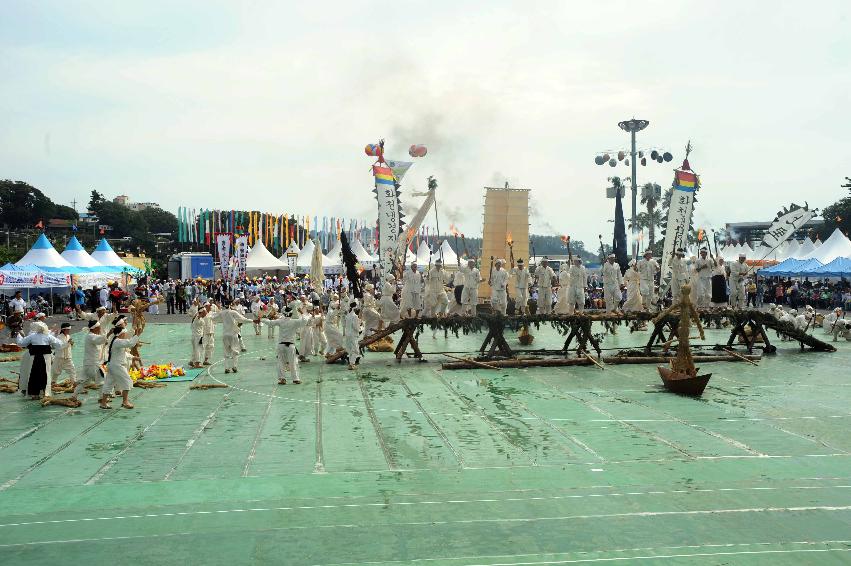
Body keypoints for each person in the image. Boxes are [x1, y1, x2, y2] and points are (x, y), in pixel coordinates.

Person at [17, 321, 65, 399]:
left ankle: (34, 393)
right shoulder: (48, 336)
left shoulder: (32, 336)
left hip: (34, 358)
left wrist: (18, 335)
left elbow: (21, 343)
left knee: (34, 374)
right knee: (45, 374)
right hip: (46, 358)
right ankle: (44, 392)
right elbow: (59, 344)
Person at [99, 319, 140, 409]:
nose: (125, 334)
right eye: (124, 333)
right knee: (127, 381)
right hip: (117, 366)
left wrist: (132, 357)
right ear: (121, 334)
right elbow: (130, 343)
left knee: (109, 384)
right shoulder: (117, 341)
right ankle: (125, 402)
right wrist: (137, 335)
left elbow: (123, 353)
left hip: (112, 365)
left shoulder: (115, 341)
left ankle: (103, 403)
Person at [265, 305, 309, 384]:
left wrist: (262, 318)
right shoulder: (294, 321)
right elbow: (305, 321)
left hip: (281, 345)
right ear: (291, 314)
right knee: (293, 362)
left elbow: (270, 323)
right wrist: (302, 313)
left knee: (281, 362)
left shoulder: (280, 321)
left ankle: (282, 379)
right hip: (290, 346)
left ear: (284, 314)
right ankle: (295, 379)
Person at [210, 301, 254, 374]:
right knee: (235, 351)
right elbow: (242, 319)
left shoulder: (222, 313)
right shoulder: (233, 312)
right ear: (231, 305)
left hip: (225, 334)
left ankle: (227, 368)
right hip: (233, 334)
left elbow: (213, 318)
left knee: (226, 351)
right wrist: (252, 320)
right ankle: (234, 366)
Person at [71, 320, 108, 402]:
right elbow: (99, 340)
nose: (100, 329)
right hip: (93, 364)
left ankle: (74, 396)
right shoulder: (91, 336)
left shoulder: (91, 336)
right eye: (99, 328)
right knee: (102, 381)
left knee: (84, 381)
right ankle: (101, 398)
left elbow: (100, 341)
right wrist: (108, 335)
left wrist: (105, 339)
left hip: (88, 364)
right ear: (95, 328)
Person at [51, 322, 77, 387]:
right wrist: (68, 343)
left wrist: (71, 344)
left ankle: (74, 383)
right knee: (56, 371)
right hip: (60, 357)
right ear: (63, 330)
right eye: (67, 329)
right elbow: (60, 347)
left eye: (69, 329)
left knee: (72, 370)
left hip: (68, 357)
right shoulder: (59, 337)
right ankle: (53, 382)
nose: (69, 331)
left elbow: (69, 346)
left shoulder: (68, 336)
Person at [343, 302, 363, 370]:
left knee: (350, 349)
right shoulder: (354, 316)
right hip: (353, 335)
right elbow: (356, 327)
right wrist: (361, 328)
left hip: (348, 334)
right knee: (355, 350)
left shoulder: (347, 316)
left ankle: (351, 363)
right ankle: (352, 364)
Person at [188, 302, 206, 369]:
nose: (206, 314)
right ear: (202, 312)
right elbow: (198, 316)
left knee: (195, 349)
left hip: (195, 336)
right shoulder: (198, 317)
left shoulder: (197, 316)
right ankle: (197, 363)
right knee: (199, 349)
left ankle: (192, 361)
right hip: (197, 336)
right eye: (205, 312)